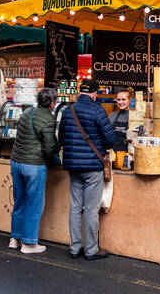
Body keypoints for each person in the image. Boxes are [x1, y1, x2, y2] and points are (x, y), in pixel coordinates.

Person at [59, 79, 114, 260]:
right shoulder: (98, 110)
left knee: (75, 208)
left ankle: (75, 248)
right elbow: (110, 139)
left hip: (73, 166)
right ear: (94, 93)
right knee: (91, 209)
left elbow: (61, 139)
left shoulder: (68, 112)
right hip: (92, 166)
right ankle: (91, 250)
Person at [8, 88, 59, 254]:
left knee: (20, 201)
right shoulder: (48, 119)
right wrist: (54, 161)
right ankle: (29, 244)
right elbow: (49, 147)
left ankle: (14, 238)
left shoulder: (27, 112)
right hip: (33, 165)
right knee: (33, 204)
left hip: (16, 161)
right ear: (52, 103)